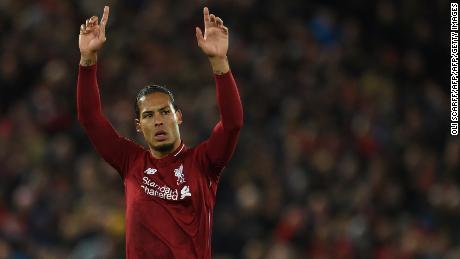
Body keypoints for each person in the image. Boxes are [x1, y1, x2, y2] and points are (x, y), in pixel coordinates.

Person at [76, 5, 243, 258]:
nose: (158, 121)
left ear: (178, 117)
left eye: (165, 112)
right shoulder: (130, 162)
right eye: (148, 115)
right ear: (138, 126)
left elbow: (232, 123)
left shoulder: (204, 164)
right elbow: (90, 117)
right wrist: (87, 59)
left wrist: (219, 62)